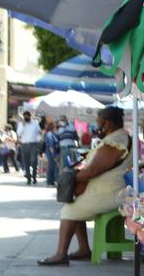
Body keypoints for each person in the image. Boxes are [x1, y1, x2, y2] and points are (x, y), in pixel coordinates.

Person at [38, 106, 130, 265]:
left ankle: (61, 254)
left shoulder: (115, 141)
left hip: (110, 192)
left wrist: (73, 178)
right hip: (107, 189)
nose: (97, 126)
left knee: (68, 211)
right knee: (75, 204)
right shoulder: (118, 137)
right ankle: (84, 249)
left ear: (107, 123)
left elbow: (94, 170)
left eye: (99, 122)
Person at [18, 110, 43, 185]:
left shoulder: (35, 123)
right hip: (24, 144)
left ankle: (34, 177)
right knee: (26, 162)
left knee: (33, 161)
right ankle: (28, 178)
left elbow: (39, 132)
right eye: (24, 116)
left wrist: (38, 139)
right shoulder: (21, 124)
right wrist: (23, 125)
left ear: (29, 116)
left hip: (33, 144)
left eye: (27, 116)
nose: (26, 118)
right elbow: (19, 133)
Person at [43, 121, 60, 186]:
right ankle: (50, 181)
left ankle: (51, 181)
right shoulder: (50, 134)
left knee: (52, 167)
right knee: (51, 168)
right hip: (51, 154)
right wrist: (54, 155)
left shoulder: (51, 134)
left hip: (51, 153)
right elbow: (50, 146)